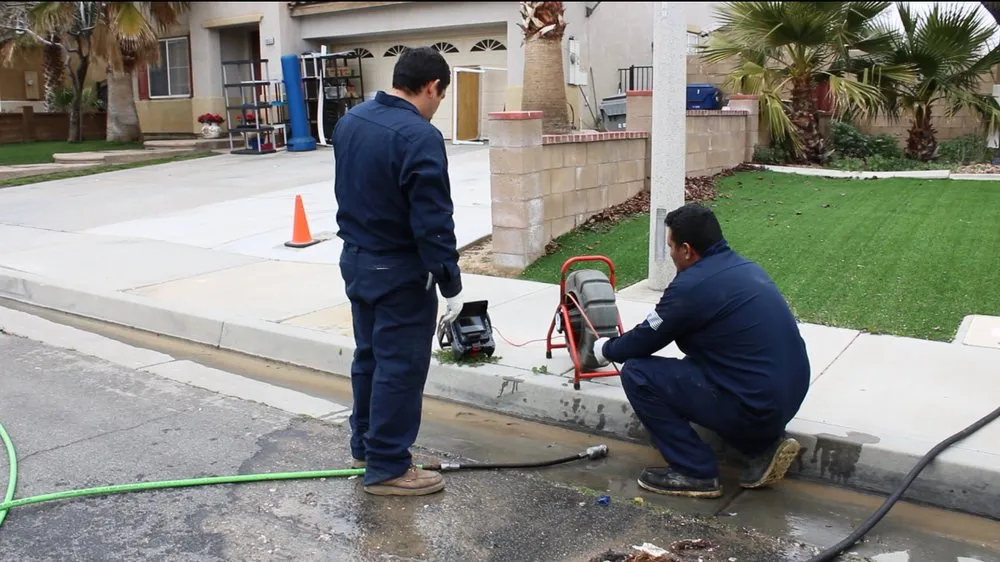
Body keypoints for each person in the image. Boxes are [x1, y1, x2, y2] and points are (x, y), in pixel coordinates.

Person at [593, 203, 810, 498]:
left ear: (686, 249)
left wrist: (605, 348)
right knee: (698, 366)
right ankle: (761, 446)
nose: (669, 253)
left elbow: (645, 339)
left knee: (639, 374)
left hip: (754, 402)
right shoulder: (746, 268)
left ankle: (694, 472)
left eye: (670, 246)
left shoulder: (691, 287)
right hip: (788, 392)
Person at [333, 46, 465, 496]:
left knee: (369, 355)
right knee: (401, 366)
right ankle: (388, 467)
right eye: (440, 96)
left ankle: (367, 447)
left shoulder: (352, 120)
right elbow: (433, 221)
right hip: (399, 270)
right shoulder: (418, 136)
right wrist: (450, 280)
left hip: (356, 259)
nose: (437, 105)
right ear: (431, 87)